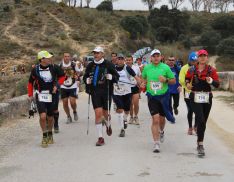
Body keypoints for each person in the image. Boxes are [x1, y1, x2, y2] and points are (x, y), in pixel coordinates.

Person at [185, 49, 220, 157]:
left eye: (204, 56)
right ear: (198, 58)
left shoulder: (211, 70)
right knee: (200, 119)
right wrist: (188, 85)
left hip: (207, 98)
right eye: (200, 56)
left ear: (207, 57)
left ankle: (199, 142)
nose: (202, 57)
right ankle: (200, 145)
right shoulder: (191, 69)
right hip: (195, 97)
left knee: (203, 122)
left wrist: (211, 81)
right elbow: (187, 80)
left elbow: (217, 84)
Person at [27, 50, 65, 148]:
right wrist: (30, 95)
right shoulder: (35, 70)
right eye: (48, 57)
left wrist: (57, 85)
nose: (50, 59)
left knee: (50, 117)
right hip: (40, 95)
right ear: (42, 59)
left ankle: (50, 132)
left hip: (52, 95)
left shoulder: (54, 67)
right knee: (43, 116)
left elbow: (62, 77)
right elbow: (30, 82)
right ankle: (44, 136)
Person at [83, 46, 119, 146]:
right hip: (95, 92)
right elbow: (85, 76)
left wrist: (112, 77)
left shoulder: (109, 64)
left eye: (98, 53)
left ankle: (108, 124)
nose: (96, 55)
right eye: (94, 53)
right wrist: (86, 81)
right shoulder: (90, 65)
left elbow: (117, 77)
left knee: (106, 114)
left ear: (102, 54)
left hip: (106, 91)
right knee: (98, 114)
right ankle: (100, 137)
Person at [142, 49, 176, 153]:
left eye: (158, 56)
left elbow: (173, 81)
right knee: (155, 119)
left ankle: (161, 131)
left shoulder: (165, 67)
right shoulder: (147, 68)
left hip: (163, 97)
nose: (156, 58)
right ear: (151, 58)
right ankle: (156, 143)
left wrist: (165, 80)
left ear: (161, 57)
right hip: (152, 97)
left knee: (162, 119)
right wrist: (143, 84)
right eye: (154, 56)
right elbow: (143, 78)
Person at [113, 53, 141, 137]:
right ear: (116, 60)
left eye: (122, 59)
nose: (120, 60)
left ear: (123, 60)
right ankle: (122, 129)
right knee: (119, 109)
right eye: (119, 59)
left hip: (127, 92)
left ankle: (125, 119)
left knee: (127, 110)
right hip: (117, 92)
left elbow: (136, 77)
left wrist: (139, 83)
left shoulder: (127, 68)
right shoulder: (113, 68)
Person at [179, 52, 198, 135]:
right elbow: (181, 79)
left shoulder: (199, 68)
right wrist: (188, 84)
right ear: (189, 60)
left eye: (195, 61)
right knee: (190, 110)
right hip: (187, 91)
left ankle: (196, 126)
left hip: (197, 92)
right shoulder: (184, 68)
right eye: (192, 61)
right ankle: (190, 127)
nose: (194, 62)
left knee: (198, 110)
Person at [60, 53, 79, 124]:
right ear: (63, 57)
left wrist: (77, 77)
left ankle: (74, 111)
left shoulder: (74, 64)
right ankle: (68, 116)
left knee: (72, 102)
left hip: (72, 85)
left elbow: (78, 72)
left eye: (68, 56)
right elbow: (58, 75)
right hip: (63, 86)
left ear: (70, 57)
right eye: (65, 56)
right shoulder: (60, 65)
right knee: (65, 103)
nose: (67, 58)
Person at [125, 55, 141, 125]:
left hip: (135, 87)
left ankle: (136, 116)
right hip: (127, 88)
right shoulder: (123, 68)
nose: (128, 61)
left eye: (130, 60)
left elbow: (140, 76)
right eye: (127, 60)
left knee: (136, 103)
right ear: (125, 61)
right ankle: (131, 117)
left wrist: (139, 83)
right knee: (130, 104)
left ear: (132, 61)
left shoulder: (136, 67)